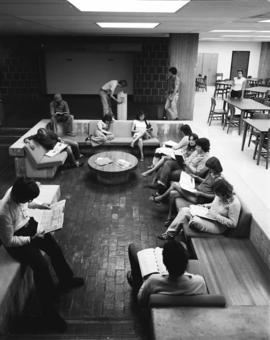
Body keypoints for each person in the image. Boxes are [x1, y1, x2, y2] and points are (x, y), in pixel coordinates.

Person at [0, 178, 84, 331]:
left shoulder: (18, 192)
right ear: (19, 196)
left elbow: (26, 204)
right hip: (18, 240)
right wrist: (30, 238)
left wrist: (39, 206)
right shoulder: (3, 212)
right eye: (29, 199)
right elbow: (8, 241)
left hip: (27, 226)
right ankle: (48, 315)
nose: (30, 201)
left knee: (54, 249)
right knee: (41, 268)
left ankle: (66, 279)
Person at [127, 240, 207, 307]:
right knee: (182, 244)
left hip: (152, 310)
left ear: (164, 263)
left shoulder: (152, 280)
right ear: (187, 262)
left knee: (132, 247)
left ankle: (135, 279)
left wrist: (145, 282)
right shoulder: (200, 282)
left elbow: (141, 300)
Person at [158, 178, 241, 240]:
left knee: (195, 220)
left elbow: (233, 224)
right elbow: (213, 204)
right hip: (209, 215)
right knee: (184, 210)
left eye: (218, 194)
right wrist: (204, 206)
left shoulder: (234, 204)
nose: (217, 196)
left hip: (218, 225)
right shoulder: (219, 195)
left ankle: (185, 226)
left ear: (224, 193)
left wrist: (216, 216)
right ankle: (169, 234)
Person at [153, 157, 223, 227]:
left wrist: (201, 194)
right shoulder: (211, 173)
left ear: (215, 167)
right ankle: (170, 217)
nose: (209, 170)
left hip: (200, 198)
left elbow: (214, 196)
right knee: (172, 193)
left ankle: (160, 198)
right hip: (196, 191)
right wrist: (198, 178)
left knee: (174, 184)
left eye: (210, 168)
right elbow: (206, 182)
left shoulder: (219, 180)